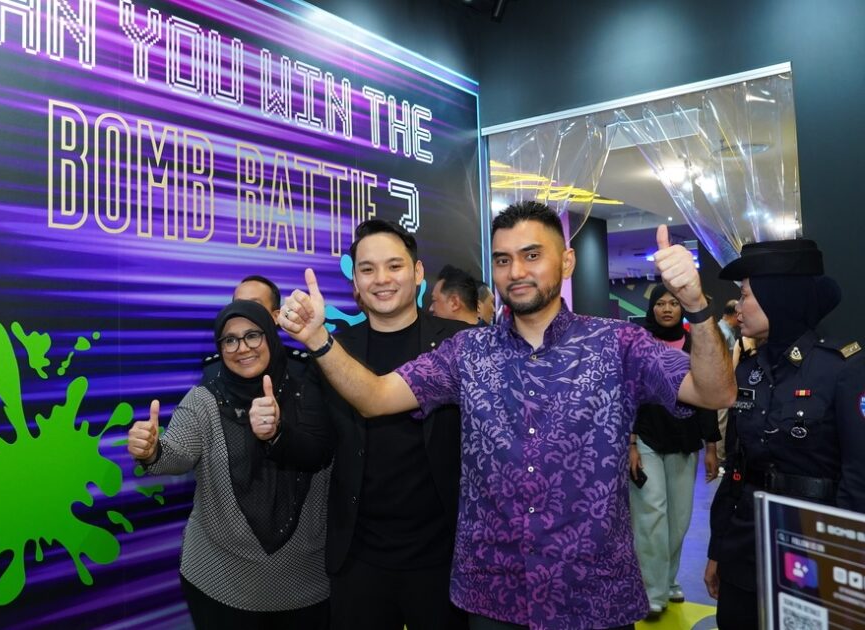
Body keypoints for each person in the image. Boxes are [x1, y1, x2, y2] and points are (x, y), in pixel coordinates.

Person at [278, 201, 736, 629]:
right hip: (494, 594)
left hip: (592, 592)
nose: (516, 271)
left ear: (567, 262)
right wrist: (318, 339)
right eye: (502, 259)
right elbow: (376, 397)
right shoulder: (467, 351)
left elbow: (716, 392)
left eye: (532, 255)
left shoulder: (617, 343)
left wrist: (696, 307)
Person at [128, 300, 332, 629]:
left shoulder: (310, 392)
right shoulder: (204, 399)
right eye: (230, 340)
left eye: (253, 335)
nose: (242, 348)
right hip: (219, 580)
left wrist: (278, 432)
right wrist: (152, 451)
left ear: (271, 336)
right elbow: (178, 452)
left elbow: (319, 453)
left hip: (305, 583)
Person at [308, 219, 469, 629]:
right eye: (367, 269)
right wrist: (273, 432)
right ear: (355, 283)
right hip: (359, 558)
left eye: (394, 266)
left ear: (417, 272)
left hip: (444, 557)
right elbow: (315, 446)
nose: (381, 279)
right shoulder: (335, 350)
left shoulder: (462, 342)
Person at [705, 239, 865, 630]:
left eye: (745, 295)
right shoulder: (747, 370)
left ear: (778, 297)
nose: (738, 307)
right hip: (745, 545)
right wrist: (717, 549)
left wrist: (847, 558)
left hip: (813, 545)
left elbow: (858, 475)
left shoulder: (842, 368)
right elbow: (736, 467)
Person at [628, 284, 721, 618]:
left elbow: (708, 397)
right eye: (660, 303)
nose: (666, 309)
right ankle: (651, 591)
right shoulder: (639, 344)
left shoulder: (696, 344)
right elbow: (629, 394)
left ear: (682, 308)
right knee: (651, 514)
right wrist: (631, 443)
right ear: (652, 308)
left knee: (679, 519)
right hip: (647, 438)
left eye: (673, 303)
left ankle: (668, 581)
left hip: (684, 439)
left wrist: (711, 446)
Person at [714, 299, 741, 469]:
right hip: (721, 382)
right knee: (721, 421)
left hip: (724, 382)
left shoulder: (726, 330)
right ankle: (719, 459)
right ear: (734, 314)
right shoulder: (723, 332)